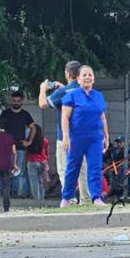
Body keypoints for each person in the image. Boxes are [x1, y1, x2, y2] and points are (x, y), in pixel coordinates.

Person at [60, 65, 109, 207]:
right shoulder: (72, 95)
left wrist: (106, 136)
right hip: (76, 138)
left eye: (90, 75)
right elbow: (65, 117)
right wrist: (66, 137)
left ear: (94, 78)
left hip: (95, 138)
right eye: (84, 75)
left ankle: (96, 197)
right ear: (78, 79)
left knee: (95, 167)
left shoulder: (98, 96)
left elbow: (103, 117)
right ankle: (66, 198)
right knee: (72, 167)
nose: (87, 77)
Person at [40, 62, 87, 202]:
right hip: (83, 137)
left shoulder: (63, 93)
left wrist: (43, 89)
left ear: (67, 73)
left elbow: (43, 104)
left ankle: (70, 198)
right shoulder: (85, 90)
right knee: (83, 169)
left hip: (65, 138)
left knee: (65, 169)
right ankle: (86, 198)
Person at [0, 91, 35, 197]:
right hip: (6, 147)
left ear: (22, 101)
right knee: (5, 169)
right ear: (11, 101)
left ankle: (15, 193)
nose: (16, 103)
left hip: (20, 147)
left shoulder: (25, 114)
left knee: (18, 170)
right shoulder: (5, 113)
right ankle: (6, 192)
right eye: (14, 101)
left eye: (18, 101)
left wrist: (29, 141)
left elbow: (33, 128)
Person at [23, 123, 47, 201]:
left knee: (34, 181)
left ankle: (36, 198)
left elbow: (26, 152)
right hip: (42, 162)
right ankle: (42, 198)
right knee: (41, 180)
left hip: (31, 161)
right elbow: (47, 152)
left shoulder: (28, 140)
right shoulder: (45, 140)